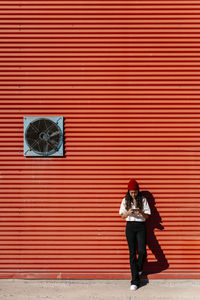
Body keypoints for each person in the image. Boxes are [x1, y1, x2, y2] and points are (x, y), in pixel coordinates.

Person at [119, 179, 151, 291]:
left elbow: (147, 216)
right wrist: (129, 212)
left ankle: (138, 268)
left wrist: (140, 212)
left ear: (138, 191)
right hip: (130, 227)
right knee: (132, 253)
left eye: (135, 192)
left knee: (142, 251)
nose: (133, 194)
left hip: (141, 226)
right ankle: (135, 281)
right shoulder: (125, 200)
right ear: (128, 191)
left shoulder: (143, 199)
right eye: (131, 192)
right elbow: (122, 216)